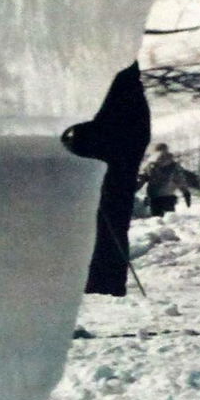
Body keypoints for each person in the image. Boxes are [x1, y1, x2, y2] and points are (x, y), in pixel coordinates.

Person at [60, 62, 151, 296]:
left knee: (105, 217)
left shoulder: (111, 88)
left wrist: (76, 142)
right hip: (119, 149)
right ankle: (104, 281)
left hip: (113, 153)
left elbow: (100, 129)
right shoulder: (124, 89)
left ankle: (102, 282)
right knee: (111, 217)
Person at [142, 141, 193, 217]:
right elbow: (180, 180)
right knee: (168, 220)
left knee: (156, 222)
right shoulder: (173, 165)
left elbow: (141, 178)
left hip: (153, 197)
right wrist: (186, 193)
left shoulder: (150, 165)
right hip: (168, 198)